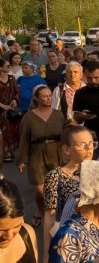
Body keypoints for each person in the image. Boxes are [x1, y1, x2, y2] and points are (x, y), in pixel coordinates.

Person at [16, 84, 66, 225]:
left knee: (58, 186)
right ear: (37, 99)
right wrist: (22, 159)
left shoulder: (58, 114)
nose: (48, 98)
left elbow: (65, 134)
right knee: (39, 188)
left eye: (50, 95)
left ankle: (57, 213)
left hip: (56, 151)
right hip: (37, 153)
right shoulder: (29, 117)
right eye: (44, 96)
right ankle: (40, 209)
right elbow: (24, 139)